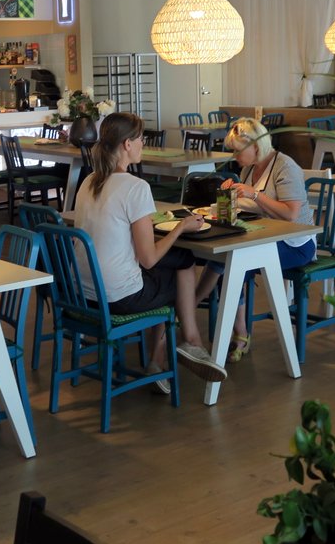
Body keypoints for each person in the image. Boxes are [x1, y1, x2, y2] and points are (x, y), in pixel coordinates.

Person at [74, 112, 227, 389]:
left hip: (83, 294)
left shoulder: (89, 181)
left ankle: (159, 361)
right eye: (140, 138)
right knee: (179, 268)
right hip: (117, 298)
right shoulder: (136, 187)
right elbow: (148, 259)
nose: (143, 143)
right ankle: (188, 343)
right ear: (127, 144)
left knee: (176, 263)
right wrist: (181, 227)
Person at [194, 117, 315, 361]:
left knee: (233, 260)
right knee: (229, 257)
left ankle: (189, 309)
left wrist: (254, 194)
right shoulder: (248, 168)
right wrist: (232, 194)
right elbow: (249, 206)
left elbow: (291, 214)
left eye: (238, 151)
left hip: (296, 244)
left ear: (256, 147)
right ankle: (237, 330)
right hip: (265, 236)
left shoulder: (285, 166)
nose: (235, 156)